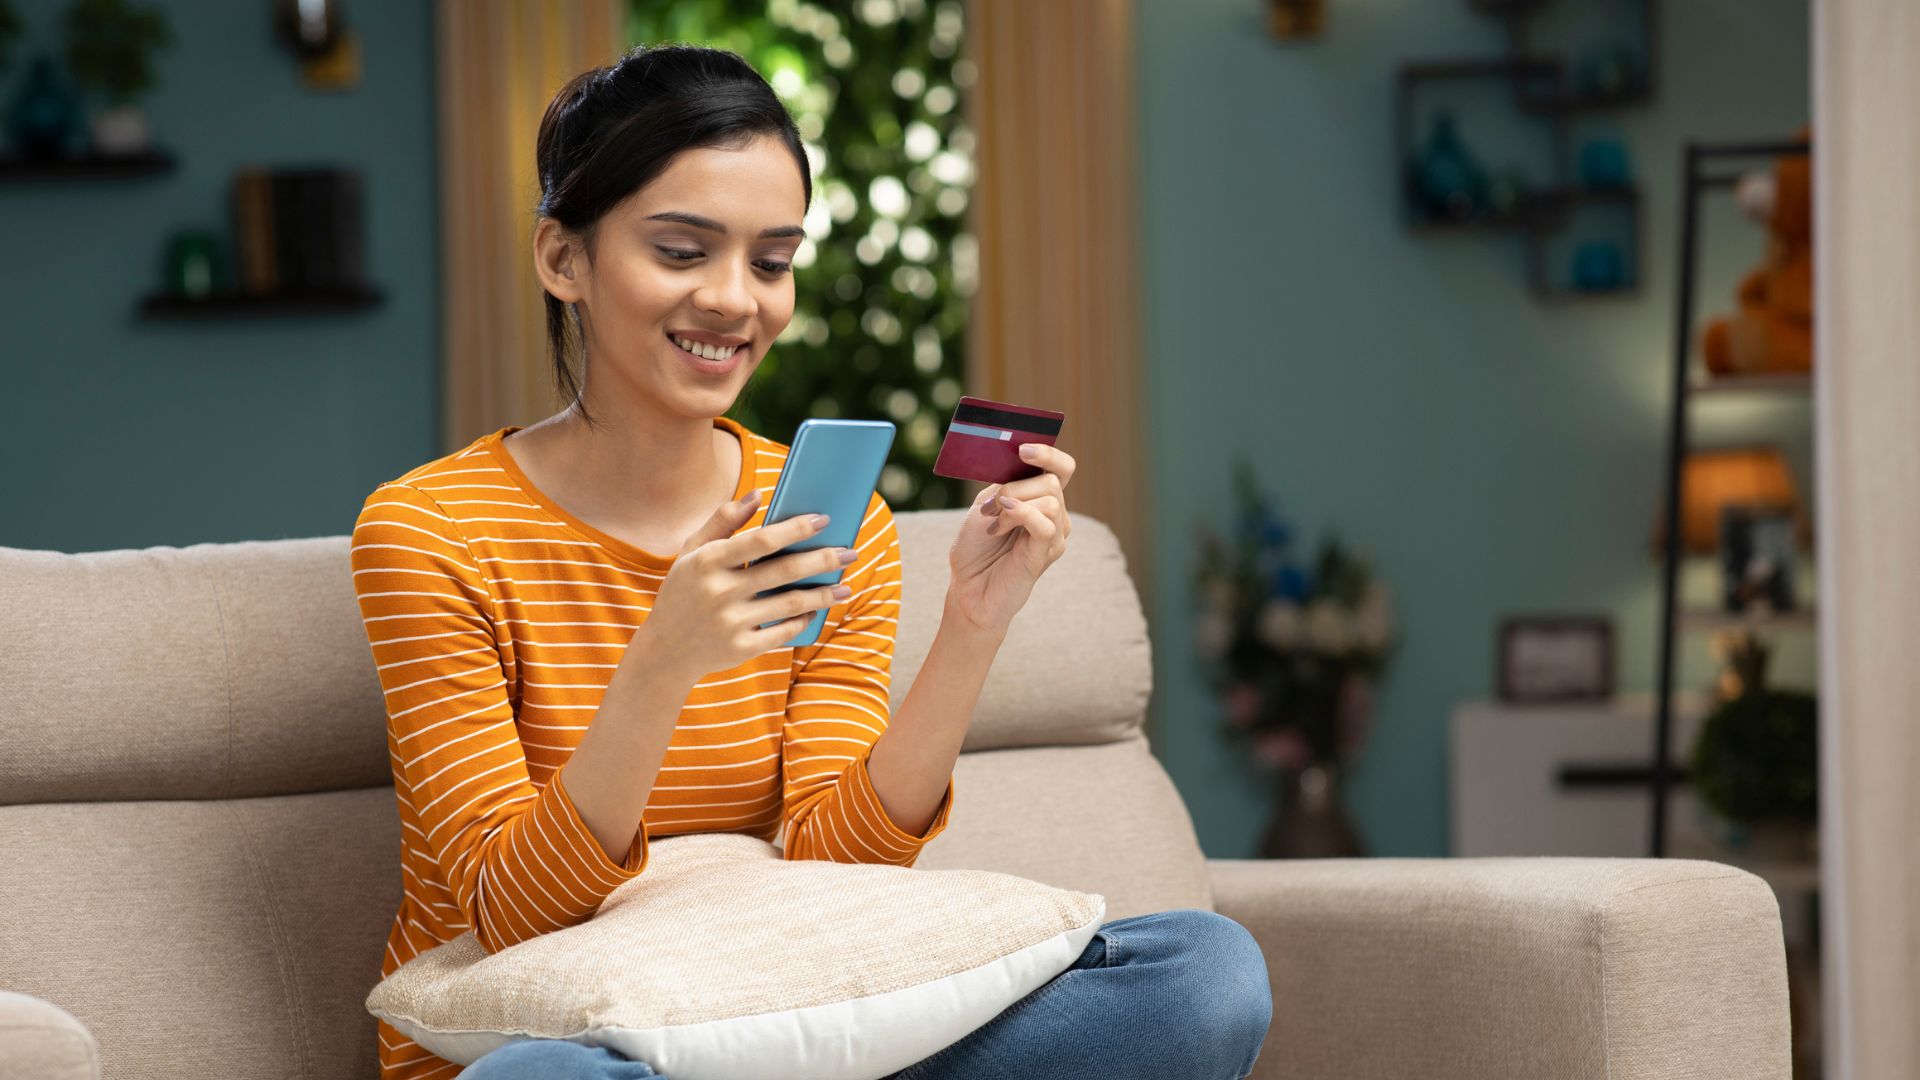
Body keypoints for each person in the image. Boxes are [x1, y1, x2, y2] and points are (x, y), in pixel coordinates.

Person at [349, 42, 1270, 1080]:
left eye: (772, 261)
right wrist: (663, 662)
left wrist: (972, 625)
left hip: (795, 1026)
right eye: (683, 251)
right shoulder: (433, 530)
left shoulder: (835, 519)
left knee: (1202, 973)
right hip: (569, 1042)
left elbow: (838, 867)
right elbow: (506, 915)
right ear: (564, 260)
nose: (737, 302)